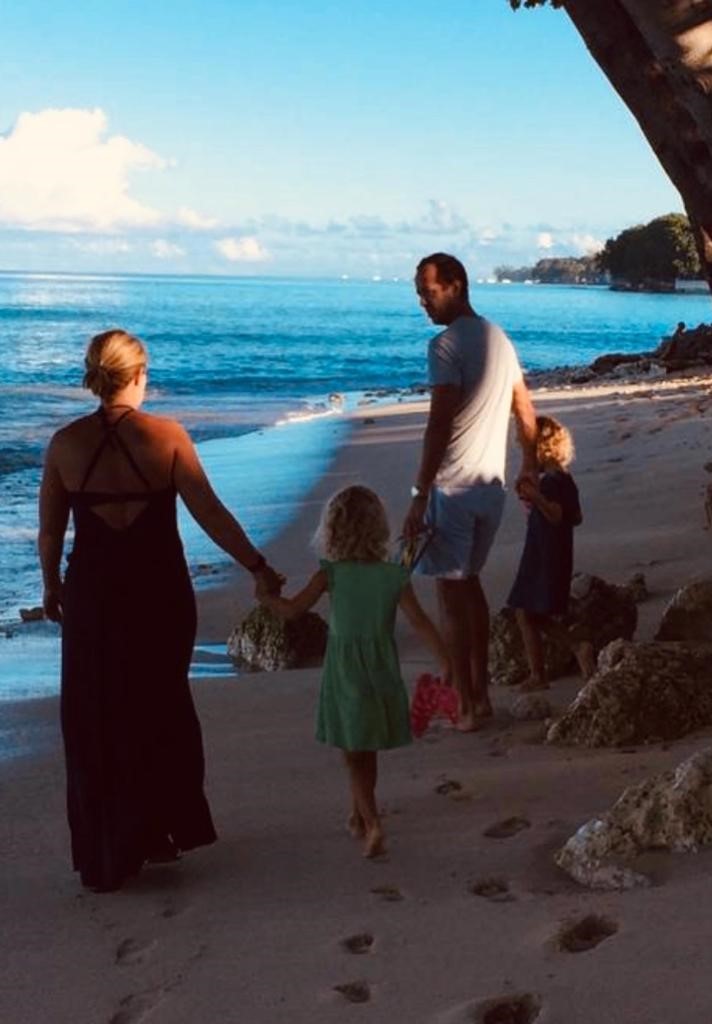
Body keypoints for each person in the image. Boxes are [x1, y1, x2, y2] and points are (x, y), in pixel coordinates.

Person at [38, 329, 283, 892]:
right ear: (140, 375)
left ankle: (107, 851)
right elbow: (211, 515)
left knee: (94, 715)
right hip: (158, 593)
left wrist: (52, 587)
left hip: (94, 596)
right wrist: (258, 566)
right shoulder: (167, 437)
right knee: (158, 707)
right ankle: (156, 833)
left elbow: (51, 532)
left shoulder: (65, 444)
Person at [259, 485, 450, 859]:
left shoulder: (330, 574)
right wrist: (446, 662)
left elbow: (293, 611)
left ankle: (373, 823)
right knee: (366, 747)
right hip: (381, 670)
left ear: (332, 531)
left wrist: (266, 598)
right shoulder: (393, 576)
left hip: (346, 672)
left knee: (352, 751)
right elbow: (421, 623)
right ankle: (357, 815)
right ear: (378, 528)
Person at [403, 253, 537, 732]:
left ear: (456, 285)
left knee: (450, 591)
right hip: (491, 488)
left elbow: (438, 424)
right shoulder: (500, 338)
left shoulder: (445, 346)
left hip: (455, 488)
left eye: (429, 289)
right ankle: (479, 697)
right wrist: (529, 465)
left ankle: (466, 703)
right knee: (471, 586)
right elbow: (525, 409)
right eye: (418, 291)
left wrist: (420, 493)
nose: (422, 299)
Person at [507, 415, 595, 687]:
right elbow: (576, 517)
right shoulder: (565, 479)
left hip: (543, 553)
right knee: (532, 612)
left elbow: (556, 515)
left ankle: (541, 671)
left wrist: (536, 499)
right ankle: (570, 651)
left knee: (525, 609)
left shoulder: (551, 482)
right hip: (554, 550)